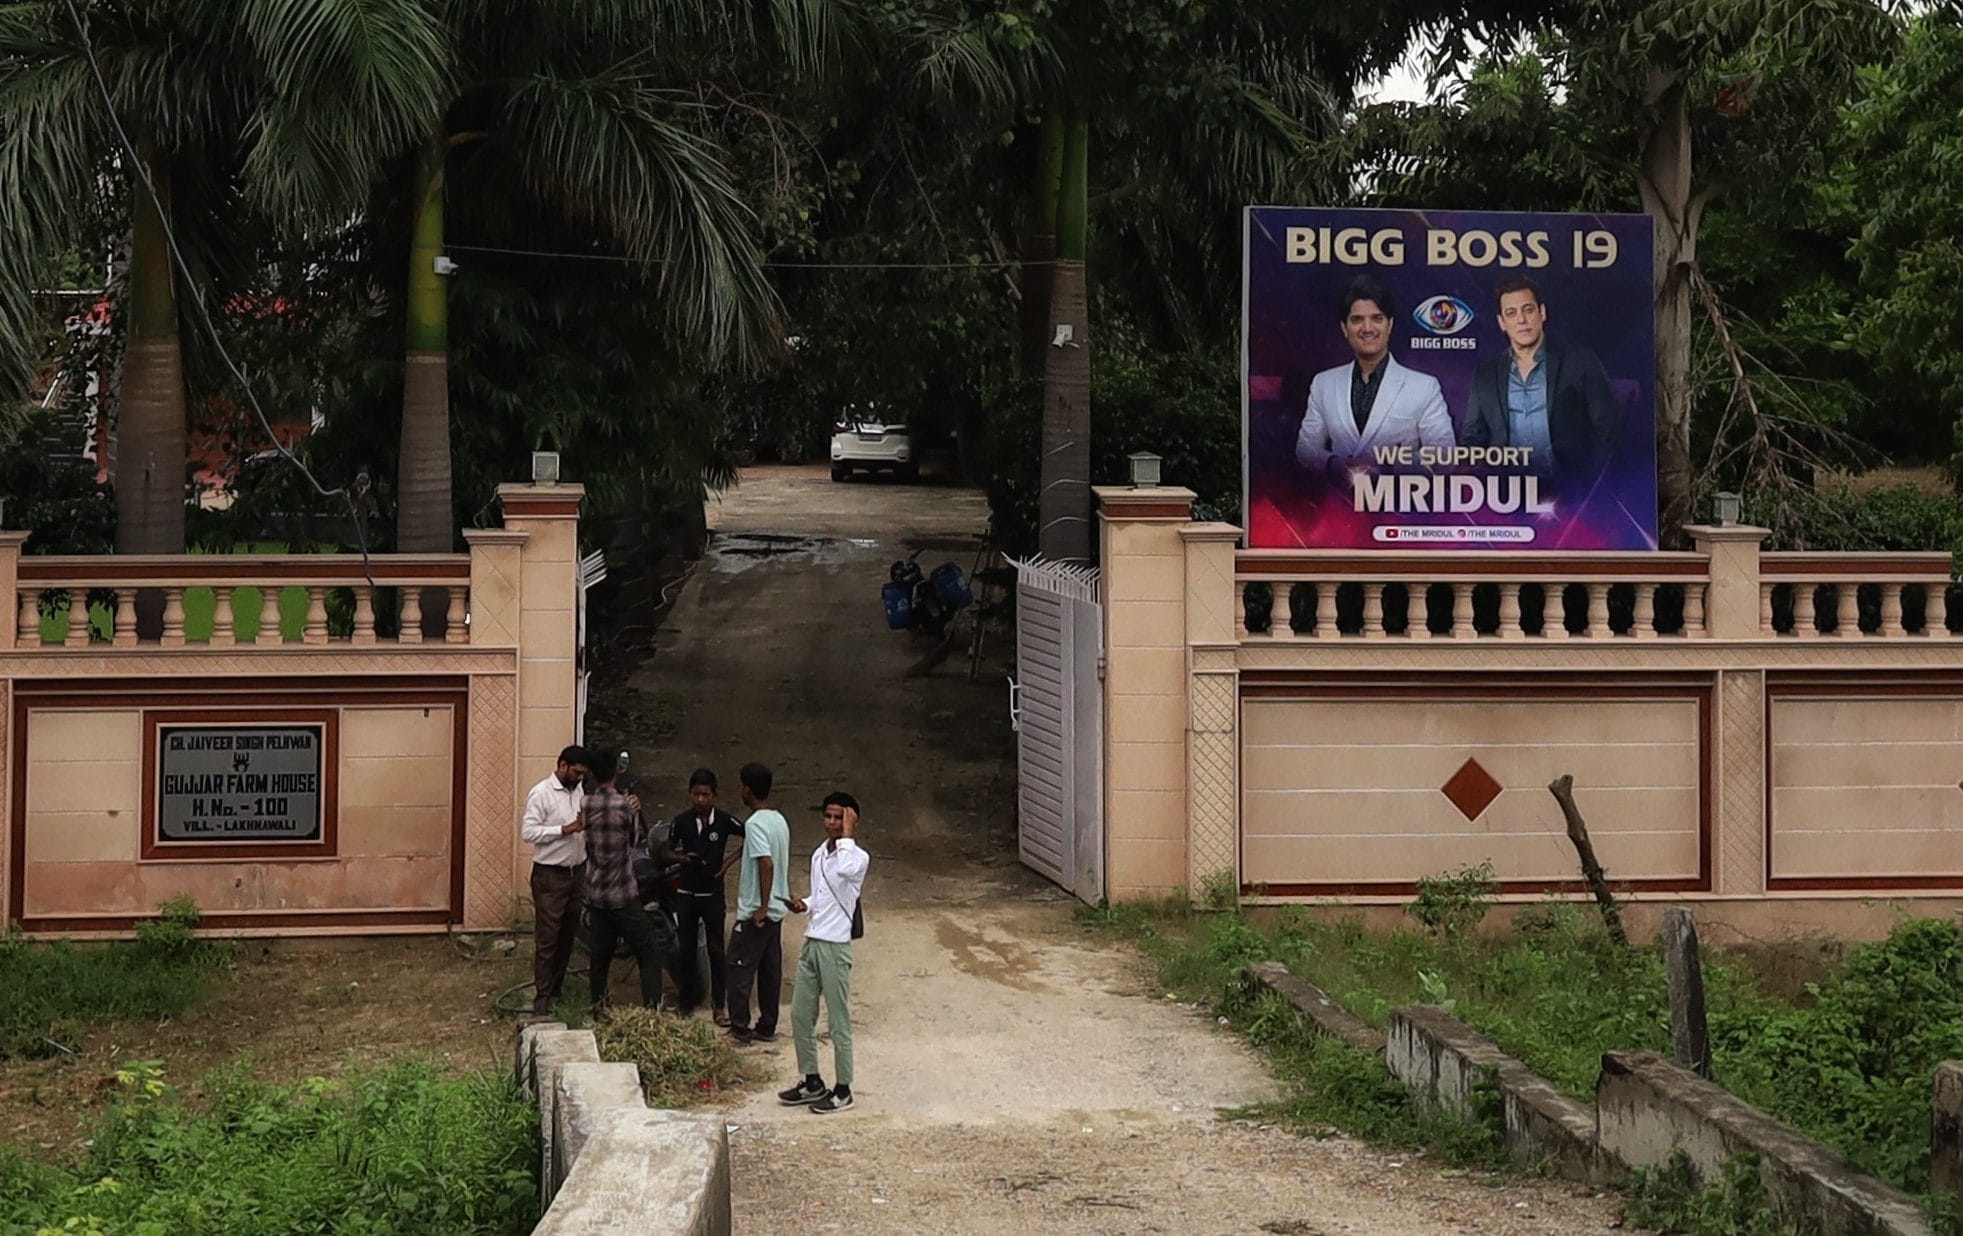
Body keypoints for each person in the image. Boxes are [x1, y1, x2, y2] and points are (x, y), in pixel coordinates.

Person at [1461, 276, 1620, 491]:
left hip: (1572, 492)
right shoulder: (1485, 374)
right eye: (1511, 313)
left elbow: (1607, 430)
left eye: (1528, 310)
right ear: (1502, 323)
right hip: (1507, 497)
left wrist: (1592, 487)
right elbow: (1472, 440)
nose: (1521, 320)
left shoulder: (1580, 362)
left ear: (1542, 313)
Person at [1295, 275, 1454, 475]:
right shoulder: (1323, 383)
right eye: (1357, 320)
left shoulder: (1423, 386)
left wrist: (1385, 464)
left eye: (1377, 318)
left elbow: (1445, 456)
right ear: (1344, 328)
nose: (1367, 328)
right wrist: (1335, 463)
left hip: (1398, 502)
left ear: (1390, 325)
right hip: (1336, 501)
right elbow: (1305, 450)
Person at [778, 792, 870, 1115]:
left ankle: (843, 1088)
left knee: (838, 1021)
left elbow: (845, 871)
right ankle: (812, 1080)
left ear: (851, 820)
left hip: (835, 947)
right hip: (813, 941)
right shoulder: (819, 854)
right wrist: (804, 904)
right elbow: (822, 896)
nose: (832, 823)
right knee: (801, 1014)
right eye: (828, 817)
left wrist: (848, 833)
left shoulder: (857, 857)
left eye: (838, 817)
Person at [581, 748, 673, 1012]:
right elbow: (634, 842)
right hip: (622, 892)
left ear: (591, 774)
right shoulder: (625, 805)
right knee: (649, 950)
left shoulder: (585, 804)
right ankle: (652, 1009)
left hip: (597, 894)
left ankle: (599, 1007)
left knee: (599, 956)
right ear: (615, 771)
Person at [669, 768, 744, 1023]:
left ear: (715, 796)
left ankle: (719, 1006)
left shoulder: (724, 821)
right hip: (687, 893)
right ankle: (685, 1003)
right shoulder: (681, 822)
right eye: (696, 794)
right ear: (689, 795)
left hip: (712, 894)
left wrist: (727, 863)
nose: (700, 799)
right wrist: (681, 858)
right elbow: (666, 852)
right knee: (686, 949)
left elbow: (752, 836)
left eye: (705, 794)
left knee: (716, 950)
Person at [725, 762, 791, 1044]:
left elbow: (766, 862)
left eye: (741, 785)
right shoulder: (778, 820)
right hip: (778, 908)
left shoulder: (753, 824)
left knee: (738, 967)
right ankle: (767, 1025)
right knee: (769, 970)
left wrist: (761, 907)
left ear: (747, 789)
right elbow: (758, 851)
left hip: (756, 912)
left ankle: (740, 1027)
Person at [521, 744, 589, 1014]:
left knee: (567, 935)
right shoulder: (541, 793)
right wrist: (563, 830)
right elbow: (528, 832)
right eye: (576, 772)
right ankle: (542, 996)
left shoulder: (579, 791)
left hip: (576, 873)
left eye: (583, 774)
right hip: (550, 875)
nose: (579, 778)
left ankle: (557, 987)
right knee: (548, 937)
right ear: (562, 766)